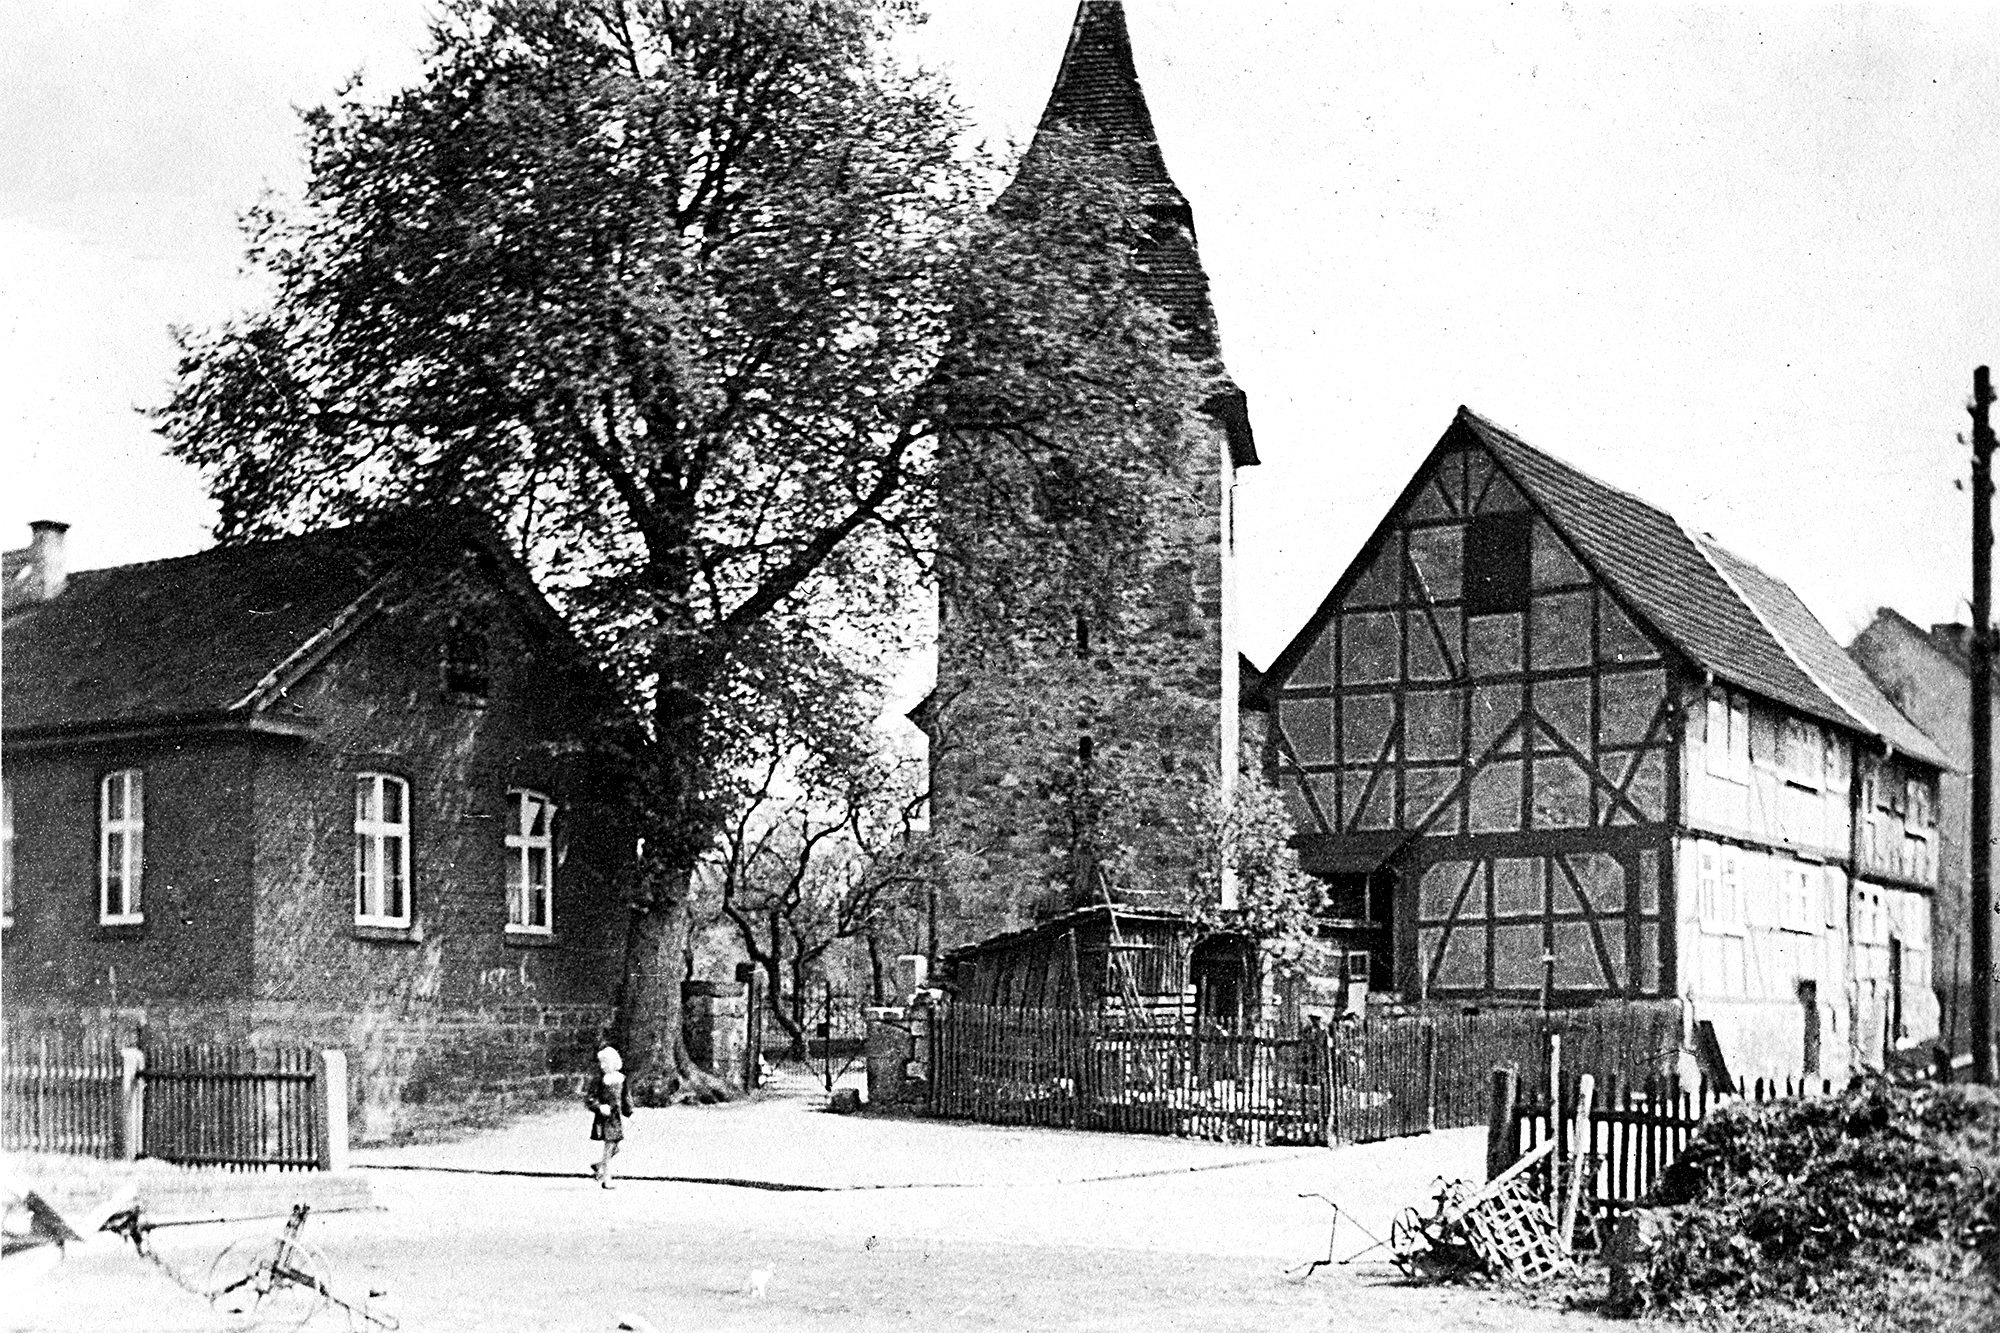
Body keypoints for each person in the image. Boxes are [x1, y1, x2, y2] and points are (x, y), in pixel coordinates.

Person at [587, 1045, 633, 1189]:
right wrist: (599, 1106)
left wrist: (628, 1111)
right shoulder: (600, 1081)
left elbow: (626, 1097)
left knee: (615, 1147)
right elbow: (590, 1098)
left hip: (616, 1118)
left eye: (605, 1062)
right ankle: (606, 1179)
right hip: (605, 1119)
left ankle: (599, 1165)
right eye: (601, 1063)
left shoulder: (621, 1079)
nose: (602, 1066)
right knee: (609, 1147)